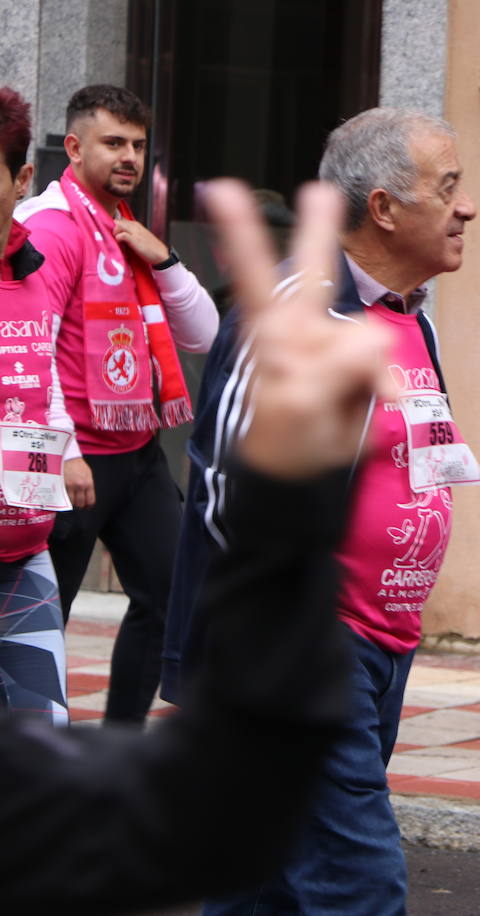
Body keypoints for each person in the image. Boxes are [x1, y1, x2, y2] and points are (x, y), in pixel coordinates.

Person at [0, 166, 388, 910]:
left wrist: (286, 499)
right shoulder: (57, 233)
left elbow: (207, 807)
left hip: (90, 488)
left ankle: (116, 727)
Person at [165, 108, 478, 916]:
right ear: (384, 207)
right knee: (359, 885)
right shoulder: (295, 315)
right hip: (307, 645)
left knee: (262, 883)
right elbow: (226, 489)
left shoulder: (408, 314)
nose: (467, 207)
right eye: (449, 187)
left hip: (384, 644)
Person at [15, 84, 219, 724]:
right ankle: (30, 753)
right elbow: (33, 344)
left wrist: (167, 260)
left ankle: (118, 749)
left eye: (137, 144)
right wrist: (66, 451)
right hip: (74, 458)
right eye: (113, 143)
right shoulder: (51, 228)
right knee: (41, 617)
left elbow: (205, 335)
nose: (129, 156)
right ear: (75, 148)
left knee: (169, 595)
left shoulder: (127, 231)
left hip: (136, 452)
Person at [0, 87, 72, 726]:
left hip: (25, 556)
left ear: (22, 179)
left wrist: (65, 448)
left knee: (43, 748)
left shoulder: (37, 270)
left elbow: (45, 380)